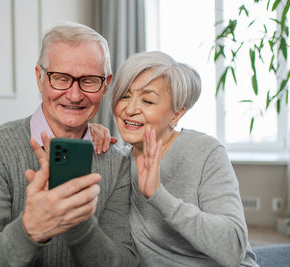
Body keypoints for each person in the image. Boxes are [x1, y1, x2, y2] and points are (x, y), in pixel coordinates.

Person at [0, 22, 139, 267]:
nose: (74, 95)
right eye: (61, 78)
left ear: (106, 84)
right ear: (39, 77)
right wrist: (29, 230)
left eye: (89, 80)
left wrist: (77, 221)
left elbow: (123, 263)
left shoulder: (117, 161)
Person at [108, 51, 258, 266]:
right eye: (124, 96)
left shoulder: (204, 151)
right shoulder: (117, 162)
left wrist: (158, 195)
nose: (130, 109)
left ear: (176, 114)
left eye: (148, 100)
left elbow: (233, 247)